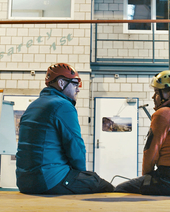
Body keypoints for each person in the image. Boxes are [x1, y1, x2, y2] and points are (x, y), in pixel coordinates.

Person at [16, 63, 114, 194]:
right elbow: (75, 147)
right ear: (61, 83)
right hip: (48, 181)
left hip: (24, 182)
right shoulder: (63, 106)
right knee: (101, 184)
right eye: (75, 84)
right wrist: (81, 175)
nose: (78, 89)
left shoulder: (33, 106)